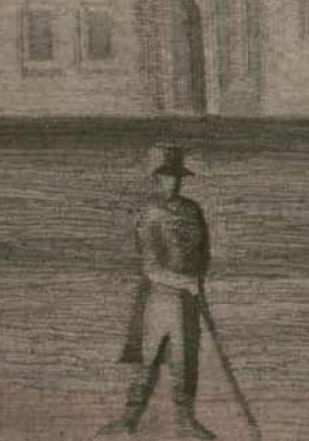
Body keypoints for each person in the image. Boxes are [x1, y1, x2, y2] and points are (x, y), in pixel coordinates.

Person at [99, 144, 215, 439]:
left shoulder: (193, 210)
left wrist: (198, 280)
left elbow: (204, 253)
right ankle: (128, 421)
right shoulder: (149, 213)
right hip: (159, 299)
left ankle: (186, 422)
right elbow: (150, 268)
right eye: (166, 176)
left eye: (176, 177)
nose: (172, 182)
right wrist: (184, 282)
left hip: (188, 300)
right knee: (148, 360)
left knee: (185, 361)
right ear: (157, 178)